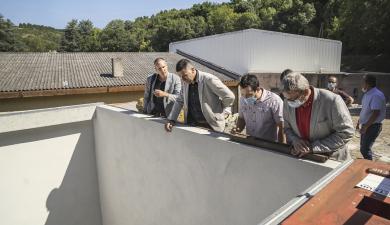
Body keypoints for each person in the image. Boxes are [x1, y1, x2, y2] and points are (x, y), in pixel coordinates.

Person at [282, 72, 354, 161]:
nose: (290, 102)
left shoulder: (332, 101)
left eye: (293, 99)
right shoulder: (287, 101)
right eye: (287, 99)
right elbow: (287, 128)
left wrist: (313, 147)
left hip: (331, 158)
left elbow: (346, 132)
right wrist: (295, 140)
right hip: (303, 158)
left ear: (305, 91)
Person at [165, 59, 235, 132]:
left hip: (211, 126)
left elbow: (229, 96)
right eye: (180, 76)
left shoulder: (209, 79)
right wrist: (172, 119)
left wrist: (220, 108)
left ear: (193, 70)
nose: (182, 79)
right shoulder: (185, 82)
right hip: (192, 125)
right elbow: (179, 101)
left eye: (185, 75)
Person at [231, 74, 285, 143]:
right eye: (243, 94)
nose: (245, 98)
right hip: (250, 142)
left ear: (257, 89)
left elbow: (282, 126)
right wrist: (237, 129)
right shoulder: (243, 99)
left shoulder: (274, 100)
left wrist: (281, 147)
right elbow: (241, 118)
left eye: (249, 95)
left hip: (268, 145)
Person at [357, 75, 386, 160]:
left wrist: (366, 127)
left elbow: (376, 113)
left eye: (363, 82)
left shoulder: (376, 95)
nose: (361, 84)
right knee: (363, 148)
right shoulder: (367, 94)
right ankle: (367, 162)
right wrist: (359, 122)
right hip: (366, 125)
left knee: (365, 149)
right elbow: (365, 110)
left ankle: (369, 164)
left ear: (367, 83)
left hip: (373, 126)